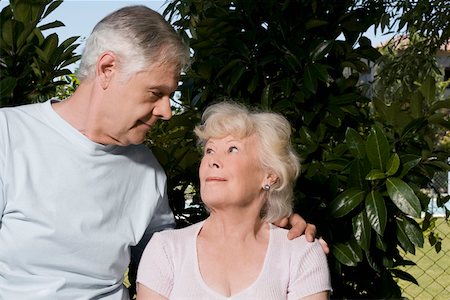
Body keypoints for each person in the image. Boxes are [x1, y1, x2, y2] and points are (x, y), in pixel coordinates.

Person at [0, 5, 322, 300]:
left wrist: (270, 225)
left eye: (170, 96)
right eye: (156, 93)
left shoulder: (148, 171)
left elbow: (178, 264)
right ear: (108, 69)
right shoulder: (8, 135)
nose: (166, 111)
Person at [136, 102, 332, 300]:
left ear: (269, 175)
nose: (212, 160)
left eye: (232, 149)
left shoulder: (301, 253)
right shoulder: (165, 249)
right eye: (210, 150)